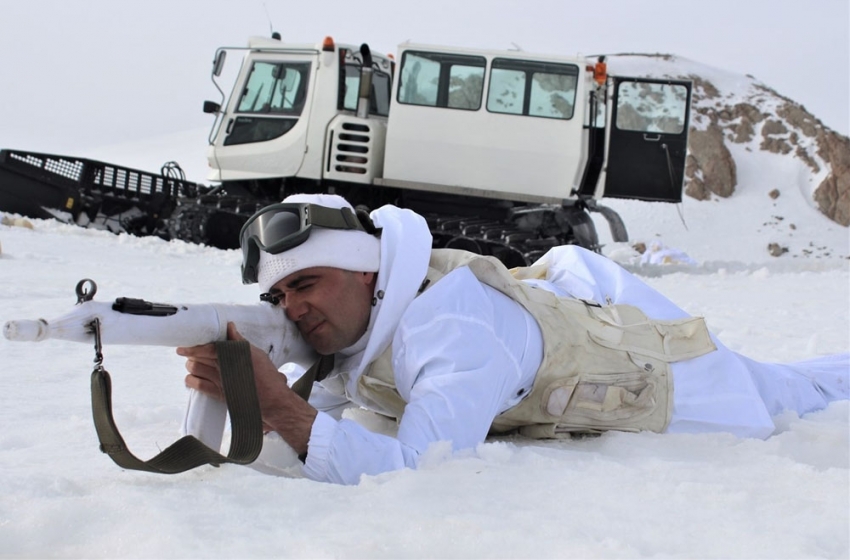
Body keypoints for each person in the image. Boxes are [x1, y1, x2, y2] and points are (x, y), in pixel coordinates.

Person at [177, 194, 849, 485]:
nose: (293, 309)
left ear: (366, 272)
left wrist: (280, 406)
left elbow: (420, 466)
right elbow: (313, 425)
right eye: (280, 296)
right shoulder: (355, 327)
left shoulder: (450, 326)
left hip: (679, 383)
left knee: (803, 389)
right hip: (567, 320)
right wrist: (250, 393)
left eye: (308, 284)